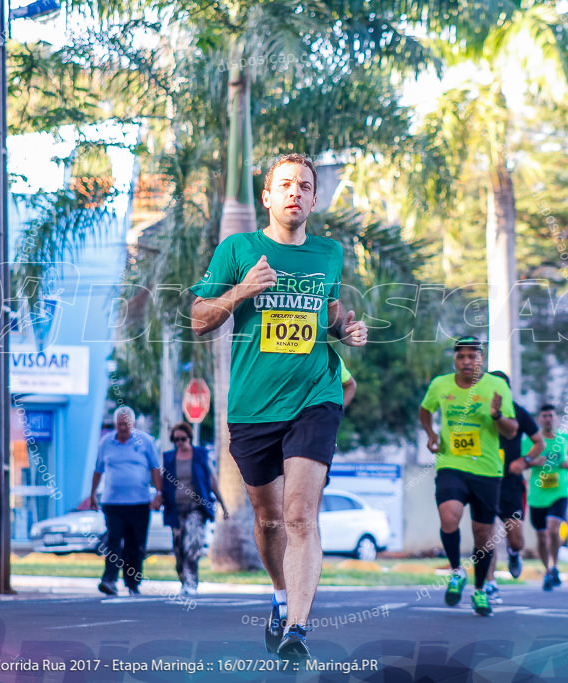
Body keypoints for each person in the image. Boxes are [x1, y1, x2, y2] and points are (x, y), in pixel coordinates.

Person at [190, 153, 368, 662]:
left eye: (304, 186)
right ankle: (279, 594)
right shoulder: (238, 248)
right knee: (268, 520)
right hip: (253, 407)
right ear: (266, 197)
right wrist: (243, 289)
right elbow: (199, 318)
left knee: (299, 515)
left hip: (316, 395)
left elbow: (329, 317)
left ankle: (297, 628)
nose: (295, 192)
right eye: (284, 185)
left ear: (314, 199)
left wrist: (345, 331)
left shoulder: (329, 254)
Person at [419, 336, 518, 616]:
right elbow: (425, 410)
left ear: (481, 360)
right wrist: (431, 434)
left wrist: (497, 415)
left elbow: (511, 430)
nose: (466, 362)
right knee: (449, 516)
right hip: (451, 463)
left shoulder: (496, 386)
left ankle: (480, 590)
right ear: (455, 359)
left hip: (486, 470)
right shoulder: (440, 384)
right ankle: (456, 572)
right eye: (461, 357)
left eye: (472, 357)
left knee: (483, 534)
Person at [90, 406, 163, 597]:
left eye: (126, 424)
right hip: (112, 503)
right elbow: (98, 470)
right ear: (115, 424)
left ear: (133, 424)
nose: (123, 428)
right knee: (113, 541)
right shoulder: (106, 443)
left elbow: (155, 468)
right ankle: (109, 580)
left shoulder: (145, 442)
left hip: (139, 503)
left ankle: (132, 583)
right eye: (120, 424)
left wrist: (159, 493)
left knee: (135, 545)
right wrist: (92, 495)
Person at [483, 370, 543, 603]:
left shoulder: (518, 412)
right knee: (485, 534)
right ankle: (489, 583)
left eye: (500, 387)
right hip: (485, 480)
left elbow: (539, 442)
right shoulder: (479, 411)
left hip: (511, 484)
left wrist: (524, 460)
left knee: (515, 537)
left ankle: (514, 553)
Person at [162, 422, 230, 596]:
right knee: (178, 548)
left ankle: (191, 581)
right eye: (176, 440)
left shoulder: (200, 455)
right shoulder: (169, 458)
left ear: (189, 438)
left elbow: (211, 480)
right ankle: (183, 578)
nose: (180, 443)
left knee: (192, 544)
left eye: (183, 439)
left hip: (196, 508)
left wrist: (222, 503)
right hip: (175, 509)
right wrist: (158, 497)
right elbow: (163, 482)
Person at [523, 404, 568, 591]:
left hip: (560, 491)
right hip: (537, 495)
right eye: (544, 416)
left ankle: (555, 565)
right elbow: (519, 463)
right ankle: (548, 570)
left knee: (553, 530)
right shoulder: (530, 441)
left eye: (551, 416)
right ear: (539, 419)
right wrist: (532, 461)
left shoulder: (565, 438)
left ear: (556, 418)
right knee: (541, 535)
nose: (547, 419)